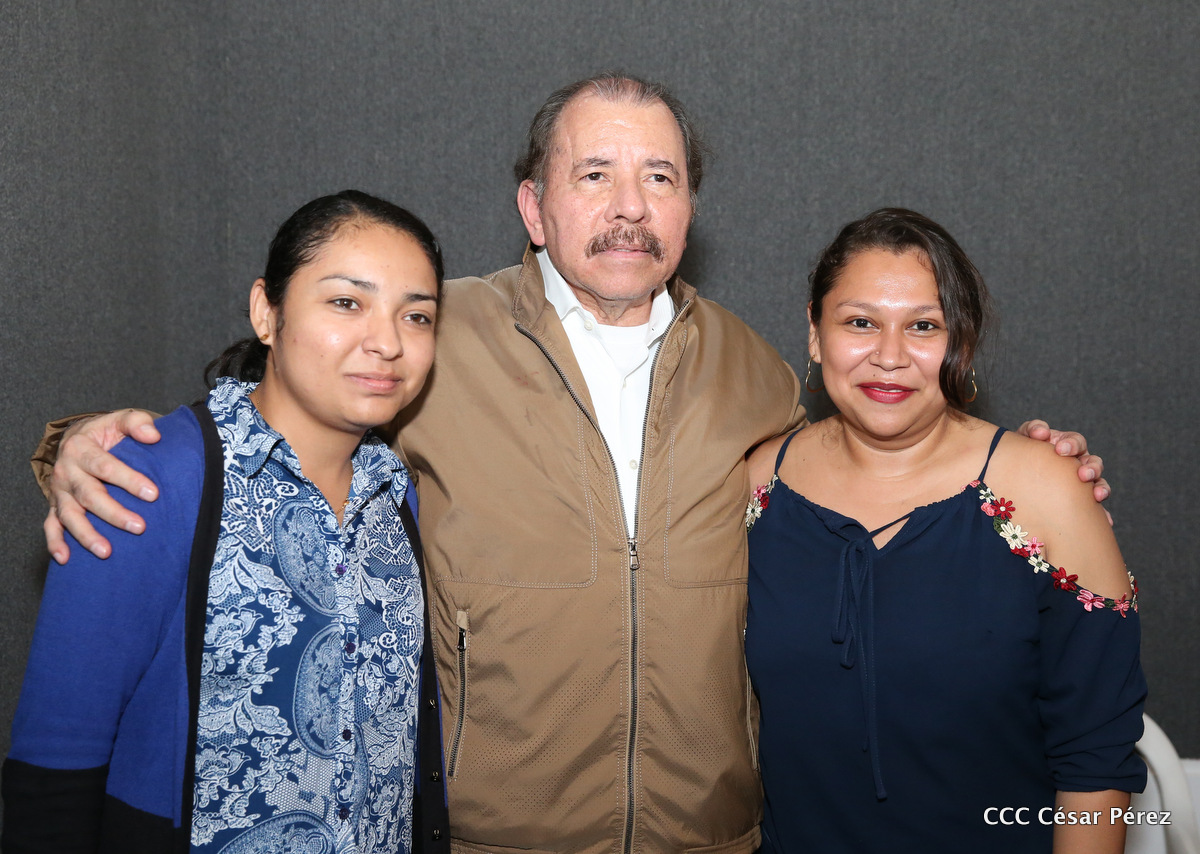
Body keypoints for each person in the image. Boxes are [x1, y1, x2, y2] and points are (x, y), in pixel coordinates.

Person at [29, 76, 1110, 853]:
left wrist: (1034, 478)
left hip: (716, 839)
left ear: (689, 209)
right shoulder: (430, 333)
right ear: (535, 208)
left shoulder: (756, 368)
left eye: (659, 177)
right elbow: (275, 407)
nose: (630, 206)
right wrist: (80, 444)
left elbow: (864, 464)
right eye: (594, 174)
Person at [4, 190, 451, 853]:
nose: (386, 343)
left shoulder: (396, 495)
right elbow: (55, 766)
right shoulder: (146, 481)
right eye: (345, 302)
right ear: (266, 312)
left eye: (415, 316)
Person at [743, 208, 1145, 853]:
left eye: (924, 326)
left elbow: (1095, 757)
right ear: (815, 334)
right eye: (860, 322)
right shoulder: (756, 481)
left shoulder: (1045, 489)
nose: (890, 356)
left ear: (963, 342)